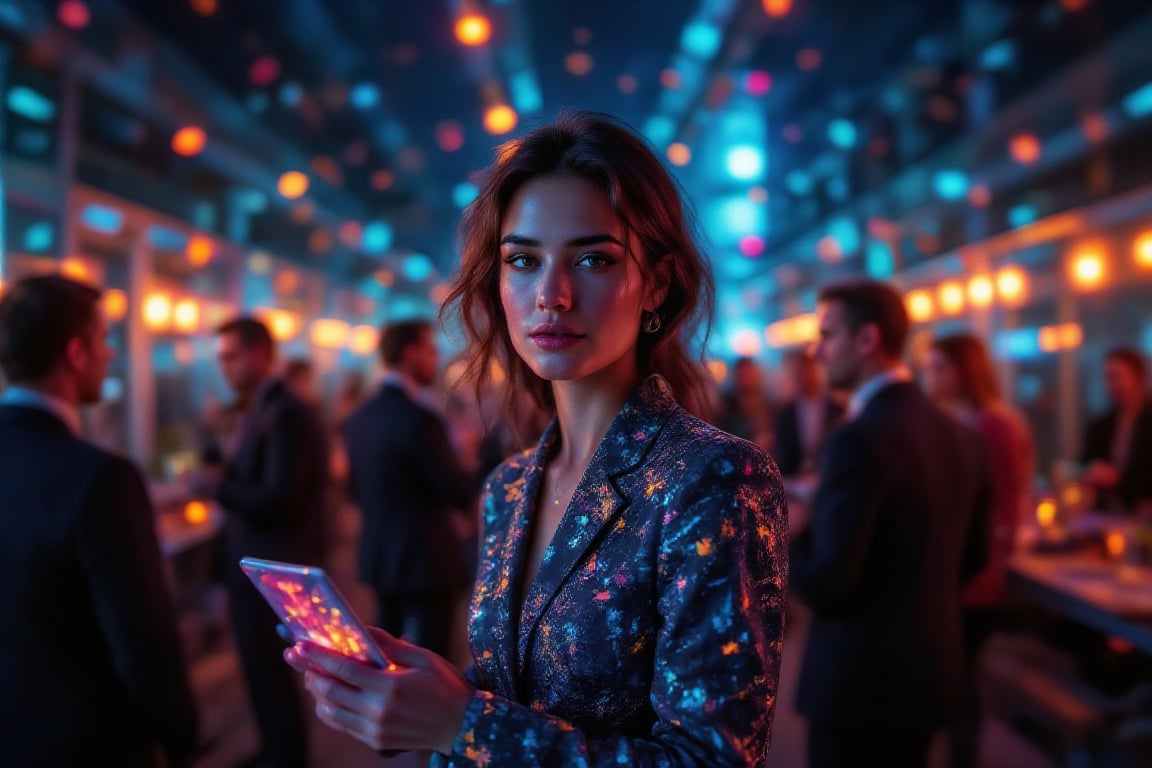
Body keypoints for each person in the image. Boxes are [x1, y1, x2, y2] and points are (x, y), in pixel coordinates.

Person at [285, 110, 788, 766]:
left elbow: (712, 760)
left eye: (594, 260)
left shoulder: (712, 479)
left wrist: (463, 725)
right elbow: (510, 703)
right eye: (523, 259)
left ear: (655, 285)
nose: (551, 294)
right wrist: (423, 704)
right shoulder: (509, 486)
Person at [790, 280, 991, 768]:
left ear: (867, 341)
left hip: (860, 688)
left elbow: (828, 584)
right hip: (925, 678)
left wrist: (788, 531)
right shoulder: (962, 435)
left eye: (827, 334)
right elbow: (974, 558)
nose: (816, 351)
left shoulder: (857, 440)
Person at [0, 275, 199, 767]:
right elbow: (144, 642)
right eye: (105, 339)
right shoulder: (100, 478)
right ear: (75, 353)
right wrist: (181, 738)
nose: (111, 354)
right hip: (84, 744)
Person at [206, 317, 330, 768]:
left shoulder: (288, 412)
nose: (224, 368)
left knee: (274, 674)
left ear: (260, 353)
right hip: (256, 565)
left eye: (231, 356)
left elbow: (279, 498)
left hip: (276, 567)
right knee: (260, 672)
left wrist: (215, 485)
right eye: (220, 359)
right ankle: (273, 751)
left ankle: (285, 757)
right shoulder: (260, 406)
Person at [924, 333, 1035, 768]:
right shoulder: (966, 421)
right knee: (956, 674)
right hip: (966, 562)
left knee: (961, 676)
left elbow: (1002, 504)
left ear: (962, 372)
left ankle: (963, 756)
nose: (931, 377)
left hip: (977, 568)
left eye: (939, 368)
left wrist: (982, 567)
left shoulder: (991, 424)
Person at [342, 319, 476, 657]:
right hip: (426, 560)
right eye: (431, 350)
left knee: (385, 656)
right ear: (410, 353)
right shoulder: (420, 418)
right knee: (434, 660)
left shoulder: (359, 418)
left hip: (379, 557)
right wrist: (471, 458)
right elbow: (457, 492)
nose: (436, 359)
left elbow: (354, 492)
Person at [1082, 347, 1152, 515]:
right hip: (1110, 516)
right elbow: (1086, 463)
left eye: (1115, 377)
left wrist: (1118, 479)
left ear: (1139, 377)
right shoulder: (1102, 425)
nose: (1109, 385)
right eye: (1107, 378)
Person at [772, 348, 844, 477]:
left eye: (809, 371)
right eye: (801, 373)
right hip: (794, 480)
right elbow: (782, 452)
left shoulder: (836, 409)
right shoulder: (785, 413)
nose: (805, 377)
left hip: (829, 476)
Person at [716, 355, 774, 451]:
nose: (746, 380)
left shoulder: (769, 406)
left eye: (750, 374)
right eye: (742, 375)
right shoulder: (727, 408)